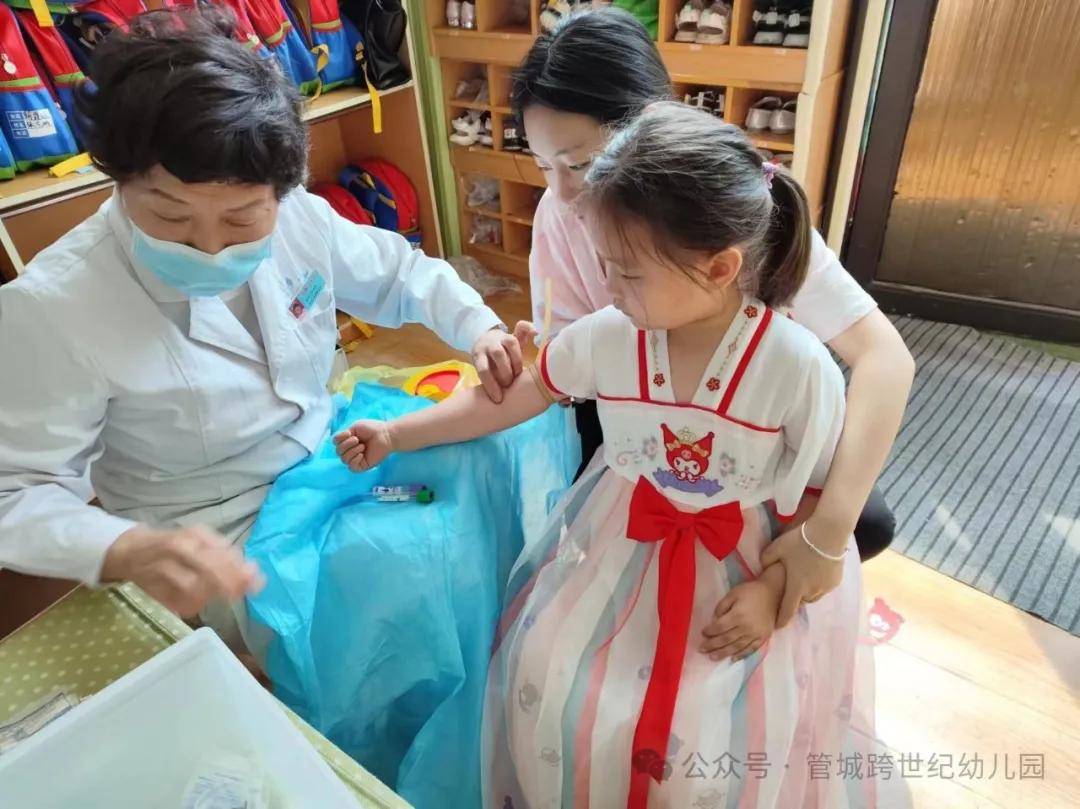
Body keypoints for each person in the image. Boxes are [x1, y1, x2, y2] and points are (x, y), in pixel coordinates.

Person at [335, 103, 874, 808]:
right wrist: (398, 433)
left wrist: (774, 594)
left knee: (722, 733)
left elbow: (817, 498)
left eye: (626, 273)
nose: (608, 290)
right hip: (618, 542)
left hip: (749, 565)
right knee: (550, 673)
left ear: (718, 267)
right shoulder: (609, 337)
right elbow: (517, 394)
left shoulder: (797, 367)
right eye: (605, 267)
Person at [0, 9, 525, 650]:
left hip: (335, 458)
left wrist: (480, 328)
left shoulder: (301, 216)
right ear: (119, 183)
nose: (210, 249)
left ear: (281, 190)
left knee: (471, 484)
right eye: (169, 216)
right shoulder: (55, 307)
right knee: (387, 601)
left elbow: (398, 276)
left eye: (243, 220)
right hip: (220, 534)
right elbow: (16, 493)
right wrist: (123, 547)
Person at [513, 8, 915, 624]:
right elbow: (567, 360)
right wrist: (533, 363)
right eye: (543, 165)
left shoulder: (730, 213)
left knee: (864, 523)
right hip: (643, 421)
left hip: (751, 434)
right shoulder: (557, 216)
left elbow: (885, 357)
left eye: (581, 166)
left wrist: (825, 535)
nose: (565, 197)